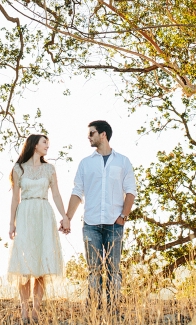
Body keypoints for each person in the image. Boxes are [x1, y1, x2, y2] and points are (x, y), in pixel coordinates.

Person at [63, 120, 136, 311]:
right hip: (91, 224)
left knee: (114, 270)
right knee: (93, 270)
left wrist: (123, 217)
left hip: (114, 224)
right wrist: (67, 217)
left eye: (92, 133)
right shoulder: (85, 164)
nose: (89, 137)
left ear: (103, 134)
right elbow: (77, 192)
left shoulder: (123, 161)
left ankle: (113, 310)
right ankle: (93, 310)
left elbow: (130, 191)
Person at [8, 134, 70, 323]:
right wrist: (12, 223)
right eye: (45, 143)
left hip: (44, 213)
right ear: (34, 145)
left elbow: (57, 195)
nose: (47, 146)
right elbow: (15, 198)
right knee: (25, 264)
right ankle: (24, 310)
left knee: (42, 262)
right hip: (25, 214)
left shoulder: (49, 169)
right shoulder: (19, 169)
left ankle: (36, 310)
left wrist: (65, 216)